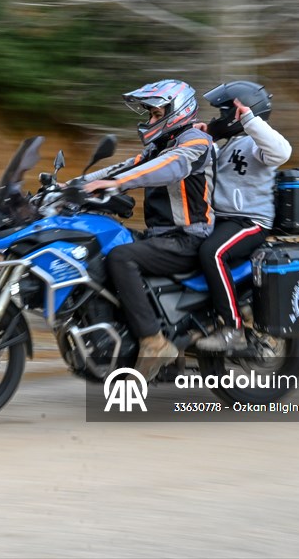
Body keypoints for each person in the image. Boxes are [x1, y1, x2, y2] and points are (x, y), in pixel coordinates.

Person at [83, 79, 216, 379]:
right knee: (102, 252)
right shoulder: (159, 146)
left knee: (121, 257)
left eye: (156, 114)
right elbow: (123, 167)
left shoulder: (195, 141)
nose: (150, 121)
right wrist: (70, 186)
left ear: (177, 111)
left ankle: (154, 342)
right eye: (150, 115)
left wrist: (117, 184)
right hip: (163, 237)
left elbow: (171, 166)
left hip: (189, 237)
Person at [194, 81, 292, 352]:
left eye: (222, 112)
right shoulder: (229, 144)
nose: (217, 118)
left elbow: (282, 152)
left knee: (213, 253)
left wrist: (250, 121)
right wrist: (203, 137)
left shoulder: (257, 143)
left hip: (250, 222)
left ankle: (232, 328)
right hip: (222, 220)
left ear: (238, 113)